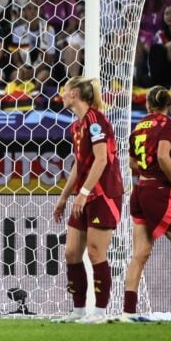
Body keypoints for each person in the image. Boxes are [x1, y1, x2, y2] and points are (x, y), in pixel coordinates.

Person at [121, 86, 171, 322]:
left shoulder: (139, 125)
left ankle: (128, 312)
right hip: (158, 191)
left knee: (139, 254)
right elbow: (164, 156)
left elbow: (132, 163)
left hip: (140, 190)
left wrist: (149, 169)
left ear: (148, 105)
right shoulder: (168, 124)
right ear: (169, 105)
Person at [52, 76, 123, 324]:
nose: (60, 94)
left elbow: (102, 160)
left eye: (64, 89)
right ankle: (79, 310)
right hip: (84, 194)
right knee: (71, 252)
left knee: (95, 252)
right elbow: (79, 166)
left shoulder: (96, 120)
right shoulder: (77, 126)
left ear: (74, 95)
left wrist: (83, 193)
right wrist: (63, 198)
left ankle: (101, 312)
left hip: (104, 193)